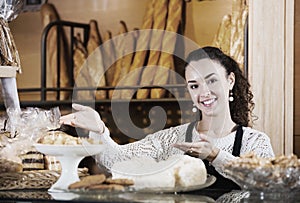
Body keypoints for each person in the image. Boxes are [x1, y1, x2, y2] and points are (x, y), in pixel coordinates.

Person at [60, 46, 274, 189]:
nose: (204, 92)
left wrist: (215, 155)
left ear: (230, 81)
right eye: (194, 85)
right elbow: (119, 161)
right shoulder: (174, 138)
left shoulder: (255, 141)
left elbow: (267, 184)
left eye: (212, 81)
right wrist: (99, 131)